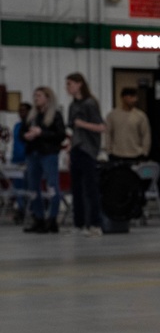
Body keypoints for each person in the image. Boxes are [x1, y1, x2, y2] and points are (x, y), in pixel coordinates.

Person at [20, 86, 66, 234]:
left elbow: (60, 135)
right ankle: (38, 218)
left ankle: (52, 219)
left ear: (47, 98)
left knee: (52, 186)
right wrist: (26, 136)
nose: (36, 98)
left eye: (39, 95)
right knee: (33, 188)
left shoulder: (55, 115)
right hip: (33, 154)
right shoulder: (31, 116)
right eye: (35, 96)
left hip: (48, 154)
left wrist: (42, 133)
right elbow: (22, 132)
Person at [65, 72, 106, 236]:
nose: (67, 88)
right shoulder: (72, 106)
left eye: (70, 84)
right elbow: (72, 130)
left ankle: (95, 224)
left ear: (79, 84)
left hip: (88, 149)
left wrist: (83, 124)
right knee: (76, 189)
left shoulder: (90, 103)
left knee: (90, 188)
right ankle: (79, 223)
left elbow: (101, 127)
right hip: (76, 148)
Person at [105, 88, 150, 164]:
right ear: (123, 98)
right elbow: (108, 133)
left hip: (136, 155)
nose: (134, 100)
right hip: (117, 155)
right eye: (131, 97)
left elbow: (146, 135)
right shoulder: (112, 115)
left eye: (135, 97)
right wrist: (109, 151)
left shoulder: (140, 116)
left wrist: (145, 152)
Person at [8, 102, 32, 225]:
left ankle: (29, 210)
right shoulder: (17, 126)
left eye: (24, 110)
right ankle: (21, 209)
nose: (21, 112)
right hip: (16, 159)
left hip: (27, 160)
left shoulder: (32, 125)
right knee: (17, 187)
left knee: (28, 186)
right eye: (20, 110)